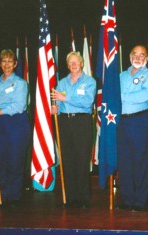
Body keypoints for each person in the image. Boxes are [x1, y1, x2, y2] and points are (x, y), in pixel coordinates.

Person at [0, 49, 31, 207]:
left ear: (15, 64)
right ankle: (1, 194)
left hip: (16, 123)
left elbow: (19, 105)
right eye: (4, 61)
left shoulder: (21, 83)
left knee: (15, 160)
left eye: (10, 61)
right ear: (0, 64)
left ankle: (13, 196)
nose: (7, 64)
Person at [51, 51, 96, 208]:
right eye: (70, 62)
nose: (73, 65)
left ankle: (83, 199)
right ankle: (70, 197)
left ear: (82, 63)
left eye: (76, 62)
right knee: (67, 160)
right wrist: (56, 107)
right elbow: (60, 102)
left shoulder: (90, 82)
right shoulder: (62, 83)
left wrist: (65, 99)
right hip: (65, 122)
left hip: (82, 122)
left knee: (81, 160)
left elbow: (87, 101)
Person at [116, 45, 148, 211]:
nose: (138, 58)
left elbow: (144, 96)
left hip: (139, 120)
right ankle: (127, 199)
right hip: (122, 122)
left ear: (147, 59)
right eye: (135, 54)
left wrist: (121, 97)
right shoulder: (121, 75)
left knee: (140, 161)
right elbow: (112, 96)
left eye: (142, 55)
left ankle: (140, 201)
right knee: (124, 162)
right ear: (129, 56)